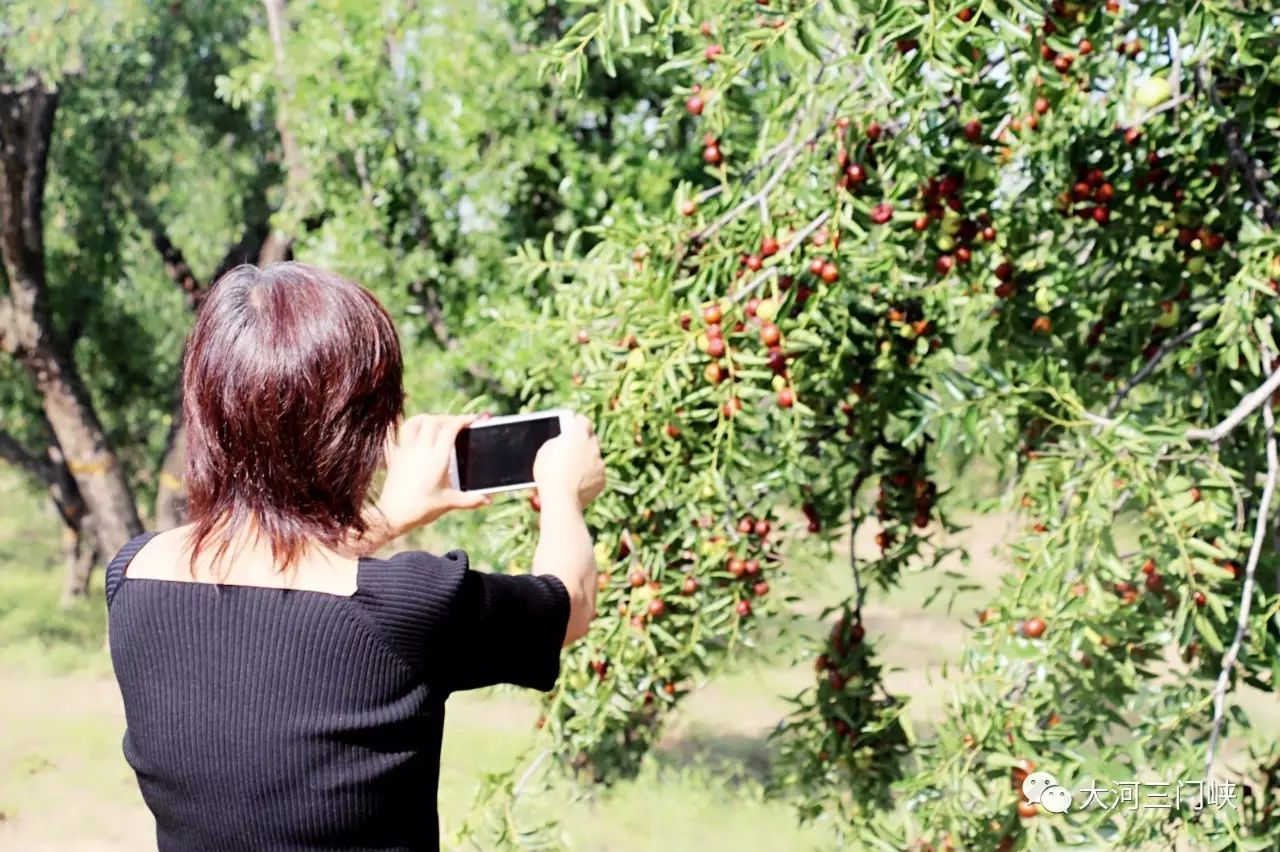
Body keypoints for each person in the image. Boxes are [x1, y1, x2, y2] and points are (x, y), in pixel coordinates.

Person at [104, 262, 605, 851]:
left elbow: (284, 582)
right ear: (357, 427)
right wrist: (564, 491)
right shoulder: (409, 609)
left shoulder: (133, 576)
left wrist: (391, 516)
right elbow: (569, 604)